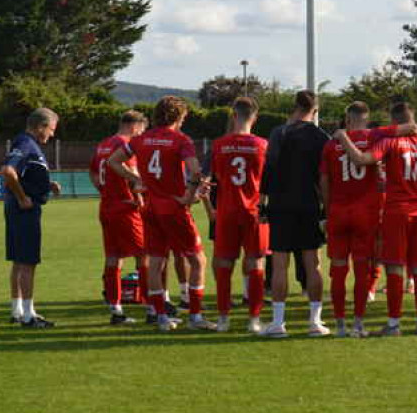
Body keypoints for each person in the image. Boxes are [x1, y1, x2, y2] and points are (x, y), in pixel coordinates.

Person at [108, 96, 214, 332]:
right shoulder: (181, 140)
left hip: (150, 207)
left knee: (156, 261)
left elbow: (113, 162)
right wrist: (190, 195)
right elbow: (196, 170)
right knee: (197, 259)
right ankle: (195, 316)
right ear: (178, 117)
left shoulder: (140, 139)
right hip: (174, 208)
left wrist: (137, 180)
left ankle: (161, 317)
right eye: (184, 117)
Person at [336, 102, 417, 336]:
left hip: (396, 211)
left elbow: (361, 159)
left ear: (394, 122)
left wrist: (343, 138)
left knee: (394, 267)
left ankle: (394, 324)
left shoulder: (390, 142)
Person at [259, 90, 331, 338]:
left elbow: (267, 171)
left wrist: (263, 203)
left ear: (295, 106)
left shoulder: (278, 133)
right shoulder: (320, 136)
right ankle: (315, 321)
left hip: (280, 205)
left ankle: (278, 323)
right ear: (315, 109)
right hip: (308, 204)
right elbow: (323, 177)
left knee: (280, 264)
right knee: (313, 263)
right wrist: (326, 208)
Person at [320, 102, 383, 338]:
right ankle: (358, 323)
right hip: (365, 212)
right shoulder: (374, 139)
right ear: (366, 119)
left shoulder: (331, 144)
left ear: (347, 120)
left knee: (338, 270)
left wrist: (328, 210)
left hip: (339, 211)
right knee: (361, 269)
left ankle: (339, 325)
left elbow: (324, 182)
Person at [210, 97, 269, 333]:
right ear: (254, 117)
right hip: (254, 211)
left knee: (224, 263)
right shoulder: (263, 145)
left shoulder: (218, 145)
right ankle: (253, 320)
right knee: (255, 261)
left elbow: (216, 177)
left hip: (227, 210)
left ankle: (223, 319)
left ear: (233, 115)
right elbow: (267, 180)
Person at [2, 108, 62, 328]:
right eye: (51, 129)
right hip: (24, 211)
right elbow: (9, 171)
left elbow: (24, 174)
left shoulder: (28, 144)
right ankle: (28, 316)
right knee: (28, 262)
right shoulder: (26, 143)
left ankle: (17, 310)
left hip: (17, 209)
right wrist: (22, 197)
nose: (52, 135)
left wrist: (47, 184)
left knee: (19, 261)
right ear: (40, 126)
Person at [90, 110, 148, 325]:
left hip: (106, 207)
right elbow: (132, 176)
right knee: (144, 255)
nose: (141, 135)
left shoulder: (103, 144)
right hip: (126, 208)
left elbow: (94, 174)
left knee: (113, 257)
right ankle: (152, 306)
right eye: (141, 131)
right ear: (134, 126)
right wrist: (139, 195)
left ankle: (116, 309)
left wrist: (105, 191)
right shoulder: (125, 145)